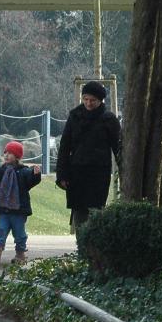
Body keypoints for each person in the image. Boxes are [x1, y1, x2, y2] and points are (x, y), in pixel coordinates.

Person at [56, 81, 122, 232]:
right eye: (85, 99)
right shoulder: (75, 116)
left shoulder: (109, 119)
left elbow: (118, 147)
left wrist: (124, 172)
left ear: (100, 100)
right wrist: (62, 175)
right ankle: (82, 247)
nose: (88, 103)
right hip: (77, 171)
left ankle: (94, 247)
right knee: (79, 209)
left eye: (93, 100)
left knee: (96, 210)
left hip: (99, 172)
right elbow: (65, 147)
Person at [0, 140, 42, 265]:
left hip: (18, 211)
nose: (6, 155)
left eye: (10, 153)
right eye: (5, 153)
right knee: (1, 230)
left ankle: (20, 254)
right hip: (4, 209)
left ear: (17, 156)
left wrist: (35, 174)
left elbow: (30, 181)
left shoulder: (23, 171)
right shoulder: (2, 170)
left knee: (19, 233)